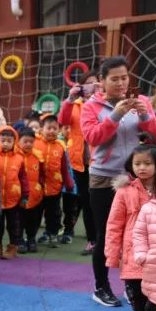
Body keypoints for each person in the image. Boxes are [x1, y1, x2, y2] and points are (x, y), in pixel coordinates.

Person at [80, 55, 156, 307]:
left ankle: (132, 285)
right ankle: (101, 286)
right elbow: (93, 137)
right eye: (114, 79)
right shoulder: (90, 107)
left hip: (137, 178)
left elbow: (155, 135)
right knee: (107, 234)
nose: (121, 83)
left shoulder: (142, 100)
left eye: (124, 77)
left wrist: (146, 115)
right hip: (104, 178)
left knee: (138, 234)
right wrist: (114, 116)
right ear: (102, 81)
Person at [106, 145, 156, 311]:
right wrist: (112, 254)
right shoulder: (124, 191)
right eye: (138, 163)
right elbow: (114, 224)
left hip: (155, 251)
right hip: (132, 252)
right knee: (136, 291)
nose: (142, 167)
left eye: (147, 163)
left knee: (154, 289)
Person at [59, 70, 99, 255]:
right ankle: (92, 240)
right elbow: (63, 120)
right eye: (88, 83)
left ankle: (108, 241)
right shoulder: (75, 104)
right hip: (79, 162)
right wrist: (69, 99)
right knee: (87, 202)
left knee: (104, 203)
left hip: (101, 161)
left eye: (96, 83)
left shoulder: (105, 104)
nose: (92, 86)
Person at [34, 114, 74, 248]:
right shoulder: (35, 142)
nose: (51, 131)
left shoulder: (61, 146)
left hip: (54, 187)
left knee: (54, 213)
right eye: (48, 128)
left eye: (55, 128)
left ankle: (53, 234)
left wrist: (68, 182)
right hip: (37, 187)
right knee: (36, 213)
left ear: (59, 130)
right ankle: (31, 237)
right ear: (41, 129)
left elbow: (64, 167)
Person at [0, 126, 28, 259]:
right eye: (3, 140)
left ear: (14, 142)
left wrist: (25, 195)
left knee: (13, 224)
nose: (6, 143)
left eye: (9, 141)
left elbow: (23, 178)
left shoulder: (19, 158)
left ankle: (12, 246)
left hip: (13, 198)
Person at [132, 167, 156, 311]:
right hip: (154, 265)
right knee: (154, 304)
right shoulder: (148, 209)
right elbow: (139, 234)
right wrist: (141, 254)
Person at [17, 128, 45, 253]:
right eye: (25, 141)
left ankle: (31, 238)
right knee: (19, 219)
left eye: (31, 142)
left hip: (35, 195)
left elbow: (43, 173)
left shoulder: (38, 156)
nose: (28, 144)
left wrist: (40, 185)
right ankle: (19, 240)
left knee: (33, 219)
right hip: (19, 195)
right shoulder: (16, 156)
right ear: (18, 141)